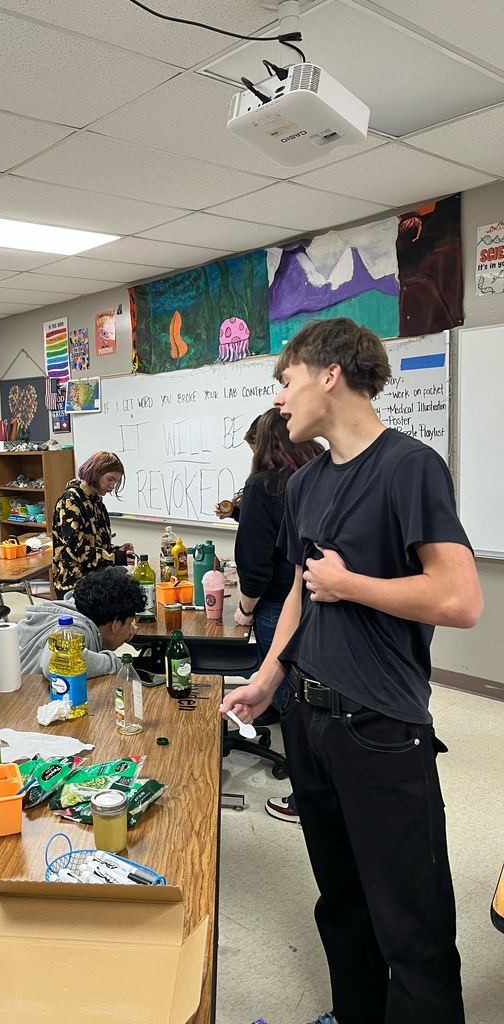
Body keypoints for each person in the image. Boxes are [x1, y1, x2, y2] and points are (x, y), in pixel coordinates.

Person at [221, 318, 482, 1024]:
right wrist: (271, 676)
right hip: (309, 719)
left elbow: (460, 598)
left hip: (380, 726)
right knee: (342, 902)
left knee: (412, 924)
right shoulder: (304, 486)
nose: (279, 398)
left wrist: (353, 585)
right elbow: (306, 591)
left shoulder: (409, 466)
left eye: (286, 381)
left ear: (329, 373)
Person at [231, 408, 323, 824]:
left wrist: (244, 609)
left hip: (277, 602)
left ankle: (304, 795)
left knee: (288, 689)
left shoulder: (261, 484)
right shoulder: (320, 474)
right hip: (320, 599)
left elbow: (255, 562)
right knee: (306, 688)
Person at [18, 566, 145, 677]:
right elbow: (58, 662)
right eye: (129, 624)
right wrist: (116, 663)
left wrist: (125, 633)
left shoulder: (76, 608)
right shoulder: (75, 629)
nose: (132, 630)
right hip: (21, 701)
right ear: (115, 625)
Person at [52, 451, 135, 598]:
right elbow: (77, 550)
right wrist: (115, 557)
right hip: (74, 582)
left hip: (95, 576)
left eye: (115, 482)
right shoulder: (71, 500)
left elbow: (99, 544)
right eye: (110, 479)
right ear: (96, 472)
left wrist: (117, 550)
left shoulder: (96, 501)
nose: (111, 486)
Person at [212, 416, 261, 522]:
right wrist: (236, 512)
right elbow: (256, 519)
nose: (256, 458)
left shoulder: (259, 483)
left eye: (257, 453)